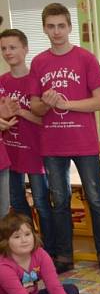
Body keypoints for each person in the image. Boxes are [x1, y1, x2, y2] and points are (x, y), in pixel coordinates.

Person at [29, 3, 100, 277]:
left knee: (96, 199)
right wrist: (46, 102)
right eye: (51, 26)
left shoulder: (86, 58)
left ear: (69, 27)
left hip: (84, 142)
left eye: (61, 26)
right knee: (60, 200)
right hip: (53, 145)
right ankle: (65, 257)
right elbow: (35, 107)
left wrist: (67, 104)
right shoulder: (39, 62)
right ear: (45, 29)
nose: (57, 32)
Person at [0, 28, 53, 254]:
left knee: (41, 202)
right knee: (18, 205)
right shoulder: (2, 81)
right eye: (3, 48)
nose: (8, 52)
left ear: (25, 49)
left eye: (13, 47)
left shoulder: (37, 79)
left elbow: (46, 121)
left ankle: (47, 249)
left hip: (36, 151)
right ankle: (26, 249)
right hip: (11, 154)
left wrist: (21, 112)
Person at [0, 212, 83, 294]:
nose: (24, 240)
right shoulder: (3, 266)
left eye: (27, 234)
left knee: (71, 290)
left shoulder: (41, 254)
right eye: (17, 237)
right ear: (6, 242)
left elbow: (54, 287)